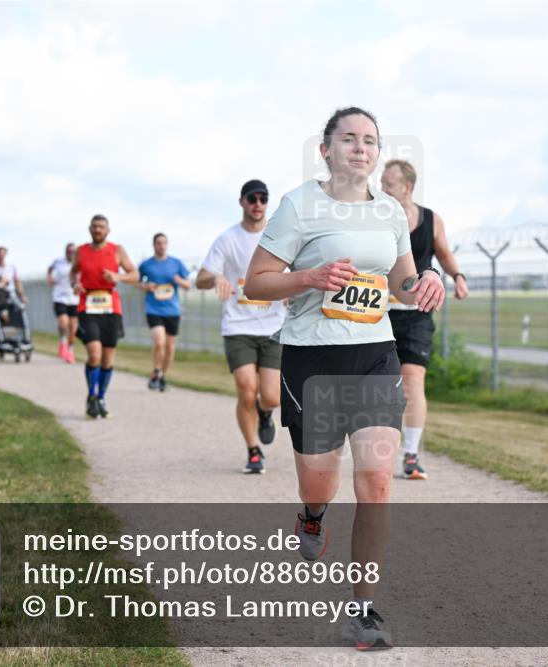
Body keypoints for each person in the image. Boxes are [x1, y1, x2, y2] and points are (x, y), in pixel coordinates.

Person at [244, 107, 445, 650]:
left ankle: (363, 610)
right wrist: (308, 277)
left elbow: (400, 280)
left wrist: (424, 283)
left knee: (376, 481)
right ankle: (312, 515)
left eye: (370, 141)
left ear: (378, 153)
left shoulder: (389, 212)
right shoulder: (298, 206)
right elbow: (256, 282)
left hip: (375, 353)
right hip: (313, 360)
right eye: (349, 139)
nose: (360, 148)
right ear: (326, 149)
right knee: (319, 480)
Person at [380, 159, 469, 480]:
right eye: (381, 184)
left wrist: (457, 275)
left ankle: (411, 455)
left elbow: (443, 253)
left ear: (407, 187)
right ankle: (373, 449)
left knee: (413, 380)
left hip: (418, 313)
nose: (382, 189)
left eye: (388, 184)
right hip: (380, 312)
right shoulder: (376, 218)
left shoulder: (432, 220)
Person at [196, 179, 287, 474]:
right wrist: (216, 279)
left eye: (263, 198)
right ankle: (253, 451)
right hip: (238, 327)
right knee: (247, 390)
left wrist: (290, 292)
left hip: (273, 327)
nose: (257, 204)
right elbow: (201, 278)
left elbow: (296, 272)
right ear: (242, 202)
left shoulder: (278, 238)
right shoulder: (227, 239)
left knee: (271, 396)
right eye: (252, 198)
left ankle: (265, 413)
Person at [72, 214, 139, 418]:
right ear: (89, 229)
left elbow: (134, 275)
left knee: (107, 358)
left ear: (108, 230)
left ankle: (101, 397)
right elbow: (73, 272)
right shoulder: (81, 251)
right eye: (94, 226)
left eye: (101, 227)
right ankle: (91, 396)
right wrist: (75, 284)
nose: (98, 230)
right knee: (94, 354)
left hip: (111, 307)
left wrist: (118, 276)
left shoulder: (117, 250)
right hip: (88, 305)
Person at [137, 233, 190, 391]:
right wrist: (146, 287)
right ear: (154, 245)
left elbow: (188, 284)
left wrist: (179, 281)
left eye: (164, 243)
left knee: (170, 347)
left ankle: (161, 376)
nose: (161, 246)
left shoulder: (176, 263)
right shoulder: (146, 265)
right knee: (159, 342)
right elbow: (136, 281)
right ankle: (156, 370)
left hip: (172, 310)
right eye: (158, 243)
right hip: (153, 309)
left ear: (167, 245)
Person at [48, 243, 80, 363]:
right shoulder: (58, 261)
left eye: (73, 252)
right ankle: (62, 341)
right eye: (69, 251)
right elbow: (50, 269)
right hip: (60, 297)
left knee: (73, 327)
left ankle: (70, 351)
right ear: (65, 251)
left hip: (74, 298)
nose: (70, 254)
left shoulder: (78, 263)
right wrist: (49, 277)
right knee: (63, 323)